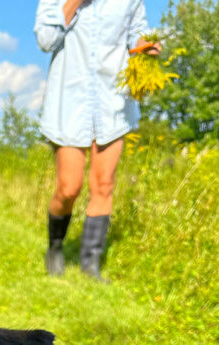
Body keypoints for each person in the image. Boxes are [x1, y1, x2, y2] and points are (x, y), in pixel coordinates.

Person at [35, 0, 159, 279]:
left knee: (103, 184)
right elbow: (45, 40)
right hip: (69, 100)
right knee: (69, 187)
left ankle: (90, 265)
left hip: (112, 100)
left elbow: (136, 35)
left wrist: (146, 47)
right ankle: (55, 246)